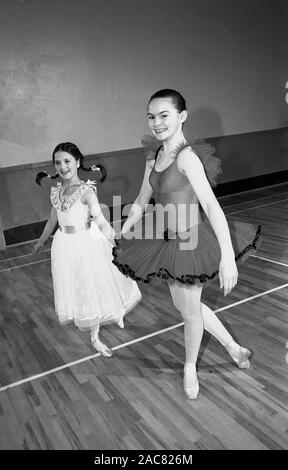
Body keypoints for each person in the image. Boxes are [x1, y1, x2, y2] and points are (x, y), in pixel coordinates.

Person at [113, 89, 261, 398]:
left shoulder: (187, 157)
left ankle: (189, 367)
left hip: (192, 243)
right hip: (166, 242)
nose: (157, 123)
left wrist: (227, 258)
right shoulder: (153, 155)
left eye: (164, 115)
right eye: (152, 116)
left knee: (189, 312)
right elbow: (142, 199)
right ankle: (234, 349)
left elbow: (211, 206)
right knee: (187, 306)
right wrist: (124, 229)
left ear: (182, 116)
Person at [32, 142, 141, 357]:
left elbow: (100, 221)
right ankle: (96, 323)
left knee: (96, 282)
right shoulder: (56, 192)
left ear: (78, 162)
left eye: (67, 161)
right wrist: (41, 241)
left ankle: (97, 334)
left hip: (86, 243)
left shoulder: (86, 191)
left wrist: (114, 240)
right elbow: (52, 221)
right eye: (58, 162)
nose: (62, 166)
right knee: (77, 284)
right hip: (64, 244)